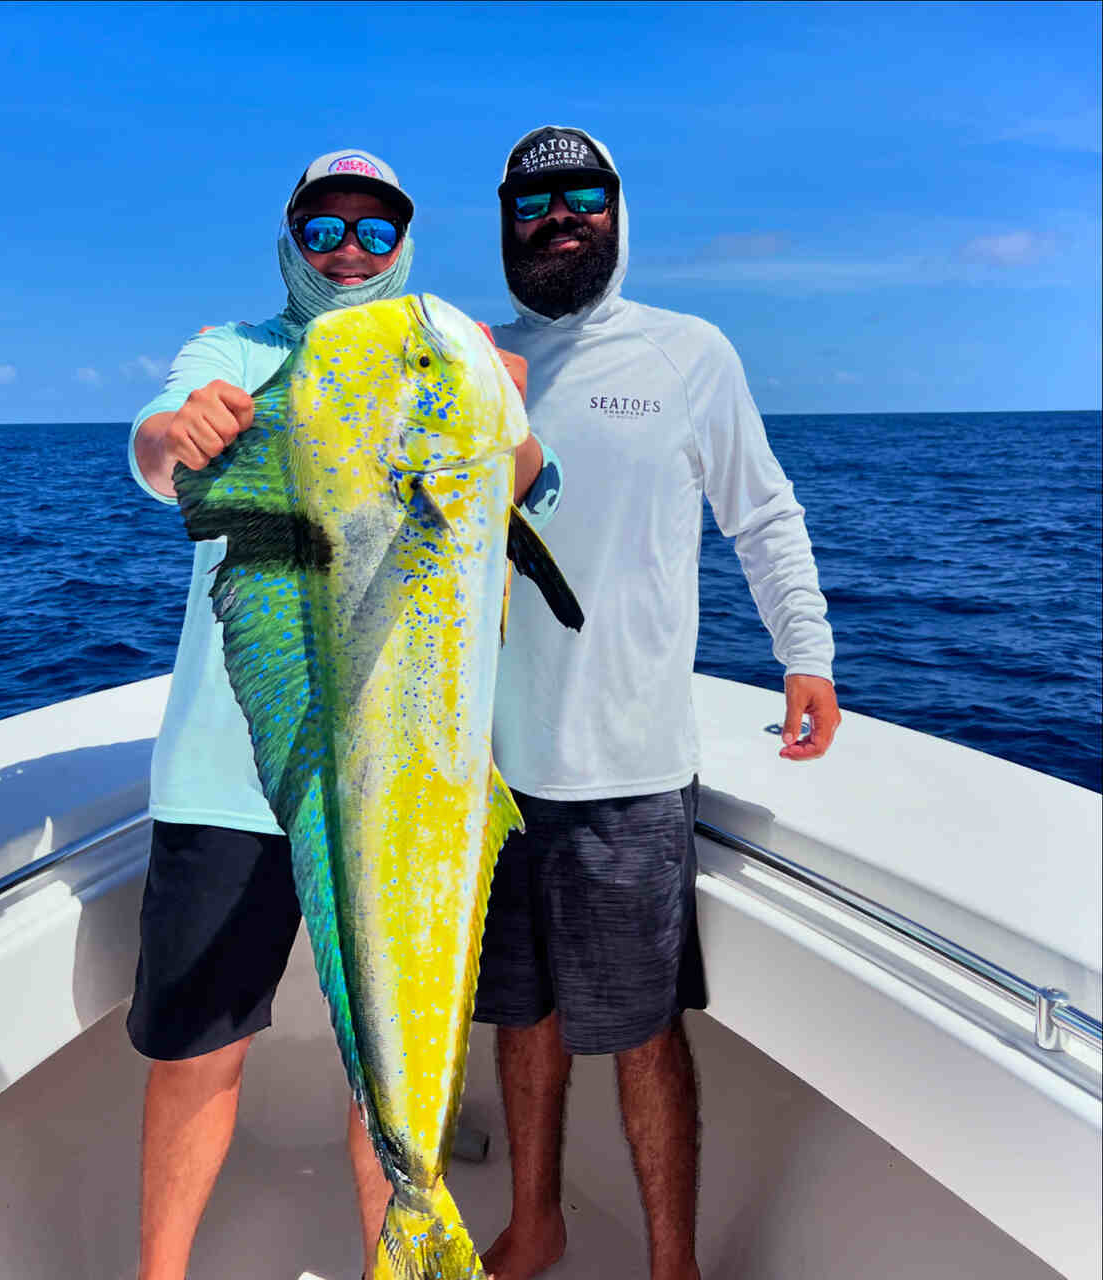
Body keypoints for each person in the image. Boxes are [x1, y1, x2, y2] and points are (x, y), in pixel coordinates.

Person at [125, 147, 546, 1280]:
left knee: (392, 1042)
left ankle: (401, 1250)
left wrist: (500, 410)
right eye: (323, 230)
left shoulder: (446, 360)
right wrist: (185, 431)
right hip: (228, 773)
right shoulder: (239, 351)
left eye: (372, 230)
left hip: (399, 780)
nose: (348, 250)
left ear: (402, 240)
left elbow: (518, 483)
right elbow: (157, 448)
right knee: (197, 1052)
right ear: (290, 243)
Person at [474, 126, 842, 1280]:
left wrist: (806, 651)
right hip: (484, 771)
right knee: (517, 1016)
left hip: (629, 769)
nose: (557, 217)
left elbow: (761, 511)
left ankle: (670, 1264)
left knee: (639, 1032)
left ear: (618, 213)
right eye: (532, 204)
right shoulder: (477, 363)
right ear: (504, 226)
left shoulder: (689, 352)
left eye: (580, 196)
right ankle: (536, 1221)